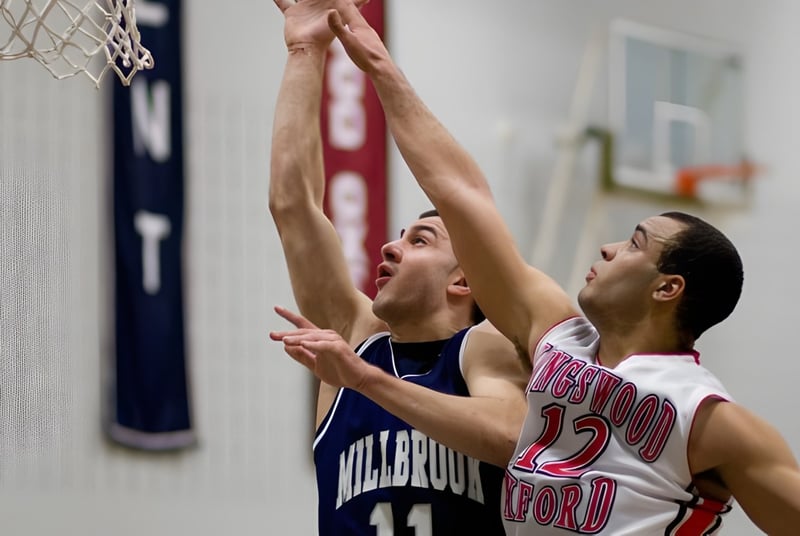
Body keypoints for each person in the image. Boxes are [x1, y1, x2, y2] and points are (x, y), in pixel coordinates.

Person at [274, 2, 800, 534]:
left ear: (668, 287)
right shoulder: (557, 340)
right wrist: (367, 63)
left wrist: (365, 380)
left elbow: (505, 433)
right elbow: (462, 196)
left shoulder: (709, 416)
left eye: (634, 244)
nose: (609, 248)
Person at [267, 1, 531, 534]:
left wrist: (365, 381)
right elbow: (292, 206)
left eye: (420, 240)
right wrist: (304, 51)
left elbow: (508, 435)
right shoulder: (355, 338)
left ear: (464, 279)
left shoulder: (486, 347)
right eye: (398, 236)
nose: (389, 247)